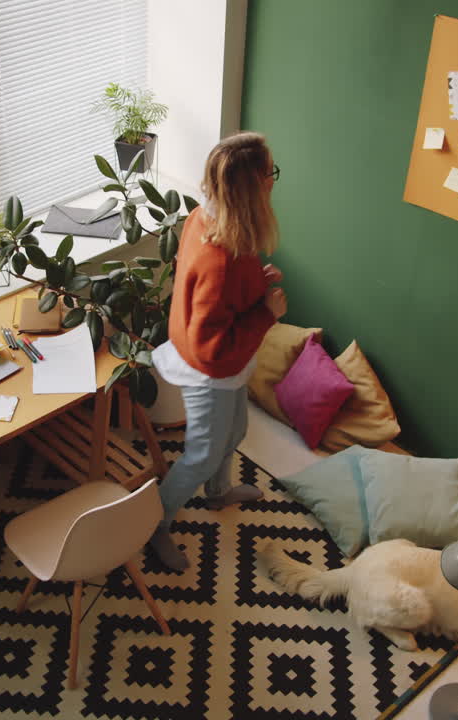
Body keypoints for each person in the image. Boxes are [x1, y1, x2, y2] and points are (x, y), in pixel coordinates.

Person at [148, 131, 287, 571]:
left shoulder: (206, 218)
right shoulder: (219, 256)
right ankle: (156, 525)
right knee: (203, 452)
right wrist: (267, 313)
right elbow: (211, 349)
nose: (273, 181)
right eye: (270, 174)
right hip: (210, 368)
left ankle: (218, 492)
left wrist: (256, 286)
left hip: (229, 360)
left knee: (234, 432)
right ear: (253, 187)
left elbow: (218, 293)